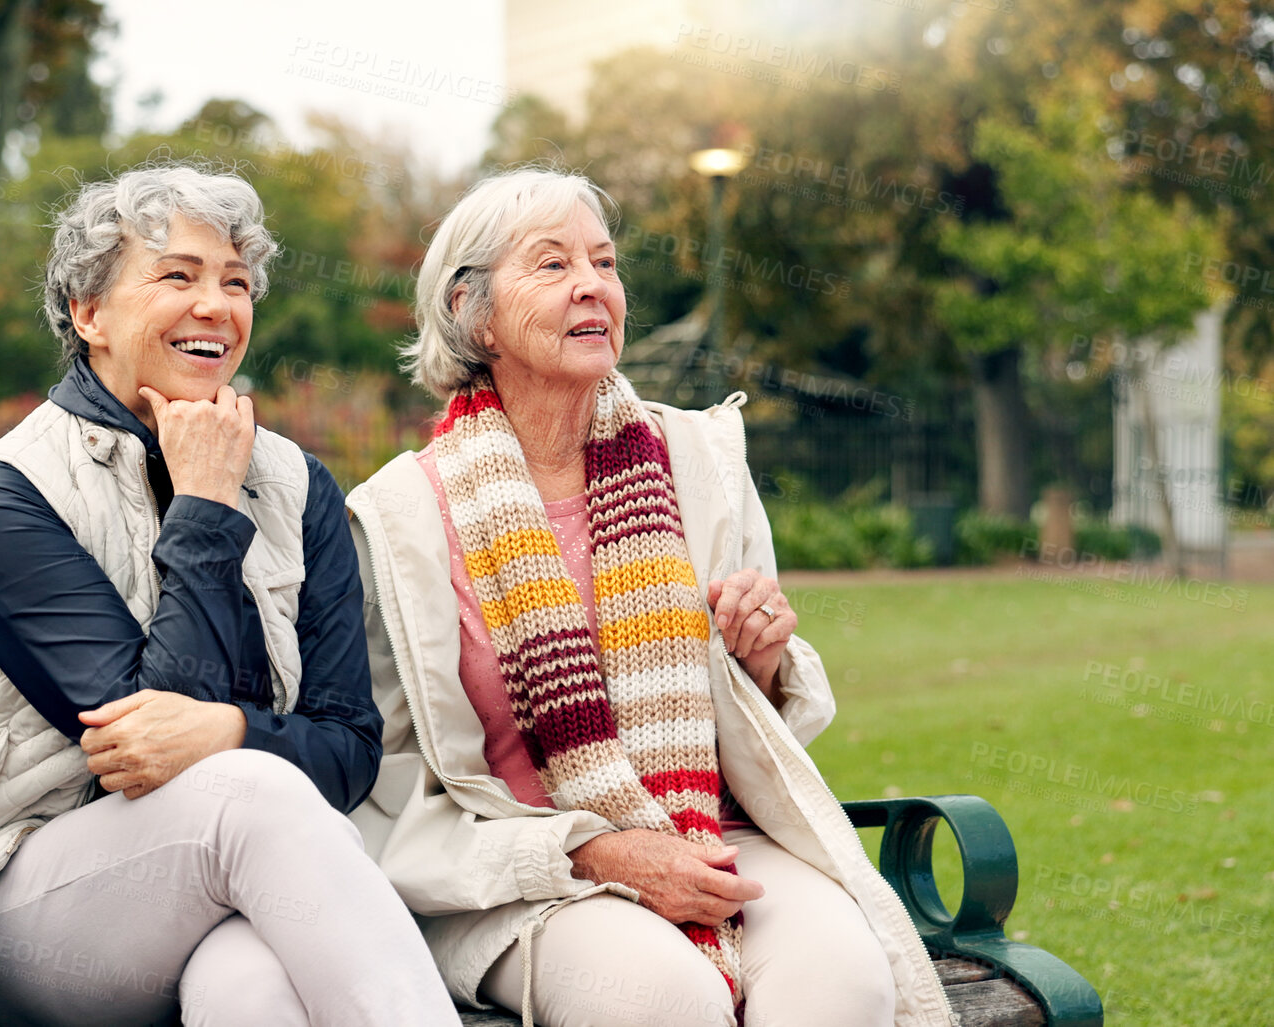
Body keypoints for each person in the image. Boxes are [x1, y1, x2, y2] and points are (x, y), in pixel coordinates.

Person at [345, 168, 956, 1027]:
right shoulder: (397, 514)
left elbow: (774, 716)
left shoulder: (698, 457)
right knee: (662, 1000)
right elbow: (391, 784)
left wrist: (764, 653)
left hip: (710, 826)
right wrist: (598, 850)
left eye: (604, 261)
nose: (592, 284)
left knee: (844, 984)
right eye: (551, 265)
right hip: (520, 875)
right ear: (474, 312)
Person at [0, 163, 457, 1027]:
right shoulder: (5, 495)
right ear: (88, 313)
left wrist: (234, 730)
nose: (217, 305)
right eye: (177, 275)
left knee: (253, 989)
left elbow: (353, 747)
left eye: (235, 283)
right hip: (34, 902)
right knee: (252, 791)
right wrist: (205, 504)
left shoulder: (296, 483)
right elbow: (140, 745)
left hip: (239, 882)